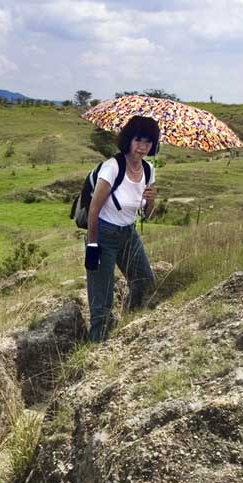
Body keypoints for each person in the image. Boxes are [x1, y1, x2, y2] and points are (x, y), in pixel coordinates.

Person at [86, 115, 159, 342]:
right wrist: (92, 247)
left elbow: (146, 215)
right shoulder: (112, 168)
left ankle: (129, 330)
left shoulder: (149, 170)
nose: (142, 147)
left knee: (144, 282)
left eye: (148, 142)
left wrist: (151, 199)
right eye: (138, 140)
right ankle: (95, 351)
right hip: (104, 234)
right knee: (102, 301)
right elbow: (93, 210)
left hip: (128, 234)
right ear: (128, 140)